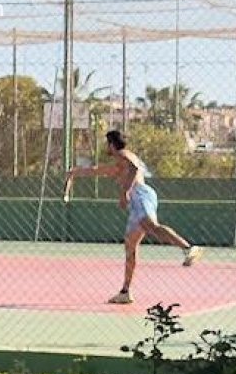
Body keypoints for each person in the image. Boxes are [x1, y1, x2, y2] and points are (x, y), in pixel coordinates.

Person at [64, 129, 199, 305]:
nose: (107, 147)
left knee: (152, 226)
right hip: (136, 202)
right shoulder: (120, 163)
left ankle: (188, 248)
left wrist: (125, 192)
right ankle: (125, 291)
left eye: (107, 143)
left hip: (141, 196)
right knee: (130, 245)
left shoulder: (123, 154)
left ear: (112, 144)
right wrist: (76, 172)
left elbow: (135, 169)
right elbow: (100, 170)